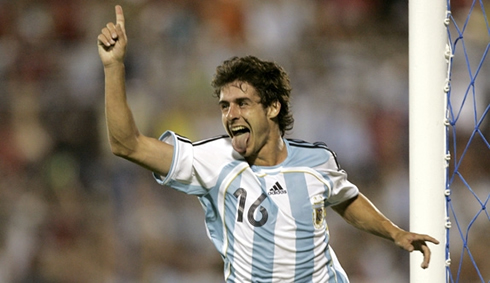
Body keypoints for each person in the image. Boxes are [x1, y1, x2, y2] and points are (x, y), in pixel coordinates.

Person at [97, 5, 439, 282]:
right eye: (224, 106)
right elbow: (126, 145)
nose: (230, 114)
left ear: (273, 107)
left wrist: (395, 233)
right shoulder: (214, 161)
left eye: (242, 103)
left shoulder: (317, 161)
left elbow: (345, 199)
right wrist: (114, 67)